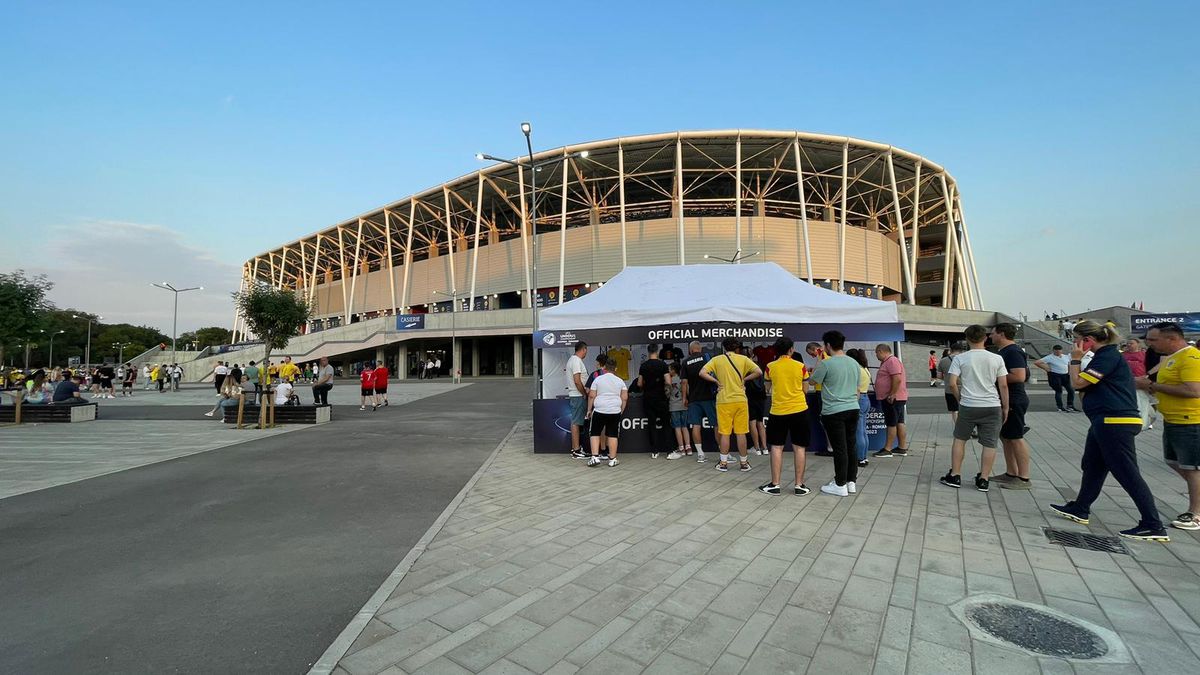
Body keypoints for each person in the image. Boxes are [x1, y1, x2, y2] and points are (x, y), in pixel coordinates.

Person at [1050, 320, 1168, 541]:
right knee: (1093, 465)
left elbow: (1077, 383)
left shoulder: (1107, 357)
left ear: (1088, 340)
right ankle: (1080, 508)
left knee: (1126, 472)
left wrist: (1075, 359)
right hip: (1104, 420)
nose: (1074, 344)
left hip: (1115, 421)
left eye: (1076, 339)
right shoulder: (1105, 357)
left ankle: (1153, 524)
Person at [1138, 322, 1200, 530]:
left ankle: (1196, 513)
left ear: (1172, 338)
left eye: (1154, 340)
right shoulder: (1171, 358)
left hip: (1190, 421)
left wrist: (1152, 385)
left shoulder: (1191, 358)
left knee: (1192, 469)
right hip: (1173, 419)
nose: (1149, 344)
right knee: (1174, 462)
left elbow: (1193, 391)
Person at [940, 325, 1010, 492]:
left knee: (960, 439)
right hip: (992, 405)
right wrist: (1005, 407)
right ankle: (984, 479)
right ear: (985, 338)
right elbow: (1003, 385)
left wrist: (960, 398)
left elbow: (952, 383)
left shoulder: (960, 359)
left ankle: (955, 475)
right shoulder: (997, 358)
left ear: (967, 339)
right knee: (990, 443)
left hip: (969, 405)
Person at [809, 331, 861, 496]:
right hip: (853, 408)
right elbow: (857, 386)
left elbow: (812, 381)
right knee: (851, 446)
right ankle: (851, 482)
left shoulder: (826, 364)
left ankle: (840, 484)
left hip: (834, 411)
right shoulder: (854, 363)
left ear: (828, 345)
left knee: (840, 448)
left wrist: (818, 361)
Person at [699, 338, 763, 472]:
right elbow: (758, 372)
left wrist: (716, 381)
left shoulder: (717, 360)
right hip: (740, 400)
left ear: (724, 348)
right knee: (741, 433)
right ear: (737, 348)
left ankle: (723, 463)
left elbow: (702, 373)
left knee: (725, 433)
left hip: (723, 401)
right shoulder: (743, 359)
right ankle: (744, 463)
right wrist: (744, 379)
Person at [759, 336, 811, 496]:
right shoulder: (801, 366)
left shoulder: (770, 367)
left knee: (776, 447)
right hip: (799, 410)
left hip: (778, 411)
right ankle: (799, 485)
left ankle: (775, 484)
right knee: (799, 448)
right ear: (791, 349)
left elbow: (767, 388)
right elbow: (806, 390)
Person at [991, 323, 1033, 490]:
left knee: (1016, 437)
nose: (990, 336)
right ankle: (1011, 473)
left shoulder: (1013, 351)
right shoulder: (1004, 352)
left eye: (993, 333)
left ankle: (1023, 478)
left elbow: (1019, 376)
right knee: (1006, 437)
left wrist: (993, 377)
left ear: (1001, 334)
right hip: (1005, 399)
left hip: (1015, 399)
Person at [586, 354, 627, 467]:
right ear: (616, 369)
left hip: (599, 410)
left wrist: (589, 410)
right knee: (613, 434)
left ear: (604, 368)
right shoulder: (620, 381)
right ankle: (612, 459)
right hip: (615, 411)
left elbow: (591, 396)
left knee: (595, 432)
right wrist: (621, 410)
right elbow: (624, 398)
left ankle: (595, 457)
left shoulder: (598, 379)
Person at [681, 341, 716, 463]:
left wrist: (684, 398)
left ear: (690, 350)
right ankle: (724, 453)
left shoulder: (685, 362)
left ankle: (700, 454)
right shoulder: (707, 358)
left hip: (694, 399)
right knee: (716, 424)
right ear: (700, 348)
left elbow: (684, 382)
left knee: (696, 425)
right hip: (709, 396)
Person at [872, 343, 909, 458]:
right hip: (896, 397)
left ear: (881, 351)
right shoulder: (889, 361)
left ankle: (887, 449)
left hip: (893, 398)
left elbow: (897, 378)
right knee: (899, 422)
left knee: (891, 423)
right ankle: (902, 447)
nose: (876, 355)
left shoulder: (892, 361)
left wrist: (892, 394)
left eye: (876, 353)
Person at [638, 344, 673, 458]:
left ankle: (654, 451)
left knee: (652, 424)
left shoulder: (643, 366)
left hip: (648, 398)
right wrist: (667, 394)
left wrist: (646, 387)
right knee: (666, 424)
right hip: (661, 398)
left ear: (648, 352)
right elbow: (668, 382)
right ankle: (669, 451)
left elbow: (639, 383)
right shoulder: (662, 365)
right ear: (657, 352)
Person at [846, 348, 872, 468]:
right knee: (863, 431)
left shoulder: (856, 370)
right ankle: (864, 457)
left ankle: (860, 458)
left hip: (859, 399)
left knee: (858, 432)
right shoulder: (865, 368)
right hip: (866, 398)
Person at [805, 341, 832, 456]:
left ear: (815, 349)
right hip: (822, 391)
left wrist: (812, 373)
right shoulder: (825, 355)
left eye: (810, 353)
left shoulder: (822, 354)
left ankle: (831, 448)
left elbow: (817, 375)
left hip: (822, 391)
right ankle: (831, 447)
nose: (811, 356)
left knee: (826, 420)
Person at [743, 344, 768, 456]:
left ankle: (757, 448)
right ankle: (765, 448)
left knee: (752, 422)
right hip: (761, 396)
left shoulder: (744, 367)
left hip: (750, 396)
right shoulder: (759, 365)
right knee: (760, 422)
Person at [566, 342, 590, 459]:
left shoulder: (573, 360)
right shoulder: (576, 361)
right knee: (576, 422)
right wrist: (584, 393)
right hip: (578, 395)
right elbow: (577, 380)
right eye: (586, 350)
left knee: (577, 421)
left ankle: (577, 448)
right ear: (584, 349)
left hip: (577, 395)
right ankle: (576, 450)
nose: (586, 352)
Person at [666, 362, 691, 459]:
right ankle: (688, 448)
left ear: (673, 370)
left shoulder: (670, 380)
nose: (668, 371)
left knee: (677, 427)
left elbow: (667, 394)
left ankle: (681, 449)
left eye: (669, 369)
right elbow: (688, 391)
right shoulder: (682, 379)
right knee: (684, 426)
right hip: (684, 405)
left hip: (673, 406)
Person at [940, 343, 965, 422]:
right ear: (962, 351)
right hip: (965, 389)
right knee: (967, 409)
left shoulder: (943, 360)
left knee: (954, 410)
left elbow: (939, 376)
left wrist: (947, 378)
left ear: (950, 350)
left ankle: (958, 428)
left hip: (949, 389)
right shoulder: (965, 359)